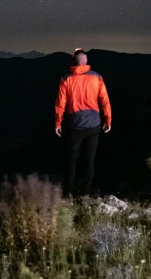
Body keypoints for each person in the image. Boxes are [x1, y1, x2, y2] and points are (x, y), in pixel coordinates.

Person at [55, 48, 112, 198]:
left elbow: (60, 103)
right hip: (94, 124)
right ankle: (85, 194)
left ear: (74, 61)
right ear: (85, 62)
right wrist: (108, 120)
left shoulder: (66, 79)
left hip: (75, 125)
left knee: (71, 160)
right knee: (89, 160)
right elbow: (105, 101)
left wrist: (57, 123)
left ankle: (68, 195)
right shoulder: (96, 77)